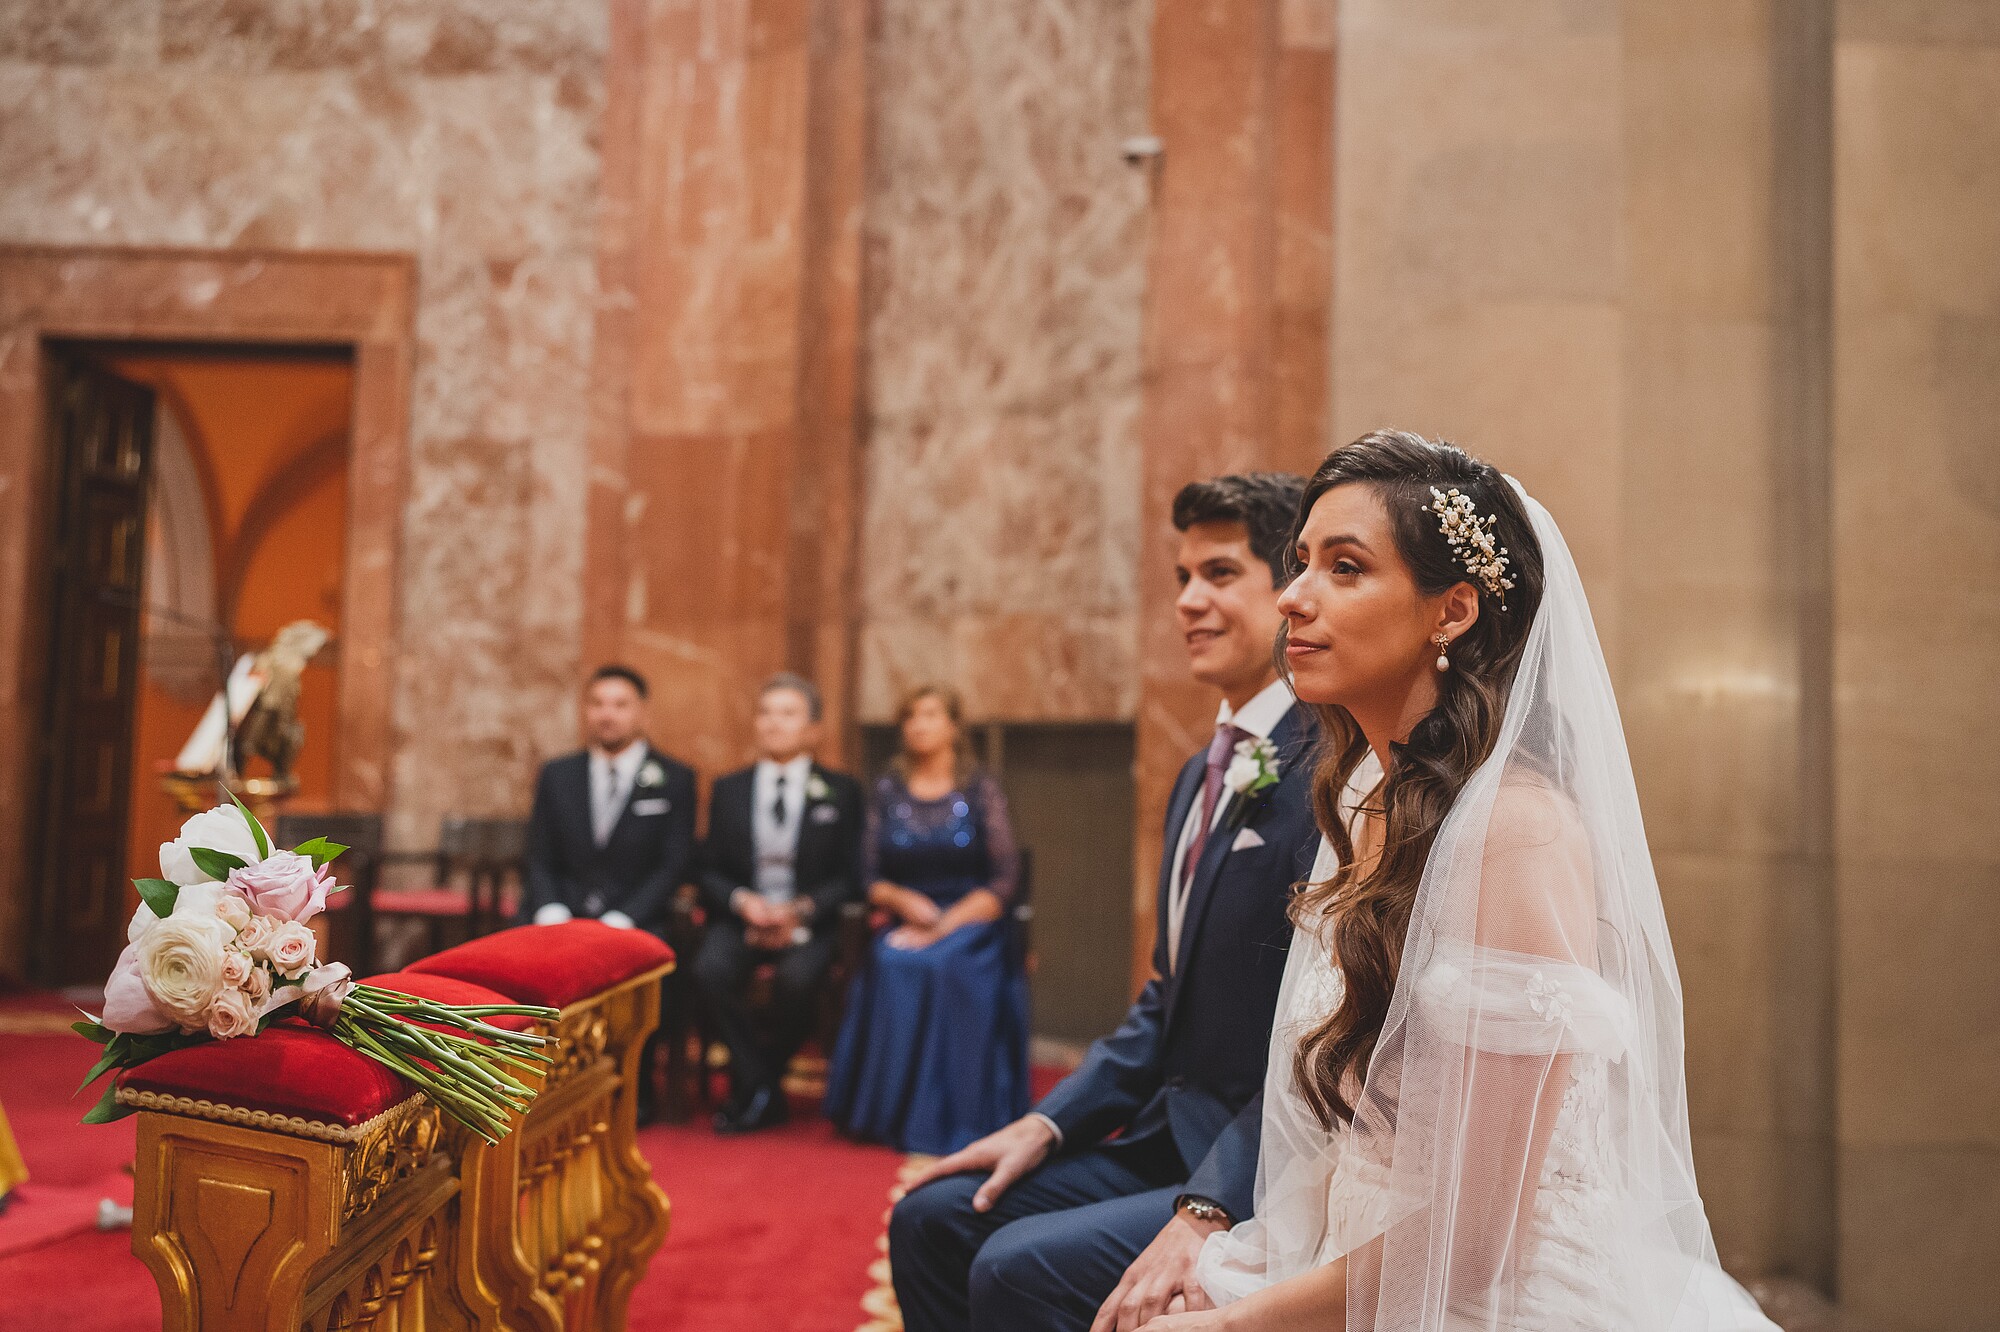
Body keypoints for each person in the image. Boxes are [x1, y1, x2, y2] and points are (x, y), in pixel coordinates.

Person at [1132, 432, 1776, 1331]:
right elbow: (1366, 1139)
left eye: (1345, 569)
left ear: (1454, 611)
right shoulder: (1373, 798)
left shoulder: (1514, 831)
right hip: (1361, 1258)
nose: (1292, 597)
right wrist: (1244, 1255)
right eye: (1300, 563)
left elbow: (1471, 1244)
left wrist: (1239, 1319)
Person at [889, 473, 1360, 1332]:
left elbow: (1324, 1031)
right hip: (1163, 1133)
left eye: (1219, 575)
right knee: (932, 1217)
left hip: (1264, 1162)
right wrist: (1044, 1123)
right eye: (1181, 579)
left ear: (1288, 589)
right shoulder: (1199, 771)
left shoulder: (1330, 770)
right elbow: (1164, 998)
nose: (1189, 602)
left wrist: (1210, 1203)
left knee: (1014, 1269)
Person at [823, 684, 1028, 1155]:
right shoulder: (887, 789)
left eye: (931, 714)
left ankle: (950, 1117)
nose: (919, 725)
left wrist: (944, 924)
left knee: (941, 964)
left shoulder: (980, 787)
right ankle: (888, 1113)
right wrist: (900, 901)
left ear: (954, 726)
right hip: (905, 914)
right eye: (911, 716)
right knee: (895, 962)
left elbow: (1004, 878)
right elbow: (868, 873)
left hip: (970, 919)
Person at [692, 673, 866, 1134]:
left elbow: (853, 875)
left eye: (787, 714)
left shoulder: (842, 791)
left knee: (797, 981)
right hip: (744, 917)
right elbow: (706, 867)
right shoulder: (730, 789)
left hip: (808, 920)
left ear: (814, 729)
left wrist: (801, 910)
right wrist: (742, 902)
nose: (773, 724)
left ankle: (755, 1084)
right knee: (709, 970)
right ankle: (764, 1084)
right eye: (766, 713)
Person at [521, 664, 697, 1119]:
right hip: (562, 912)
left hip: (638, 916)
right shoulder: (558, 774)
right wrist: (551, 907)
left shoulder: (675, 778)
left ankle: (630, 1088)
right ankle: (541, 1087)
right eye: (598, 704)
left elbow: (674, 863)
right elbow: (539, 853)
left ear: (641, 713)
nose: (607, 715)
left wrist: (624, 917)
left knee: (657, 965)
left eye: (620, 705)